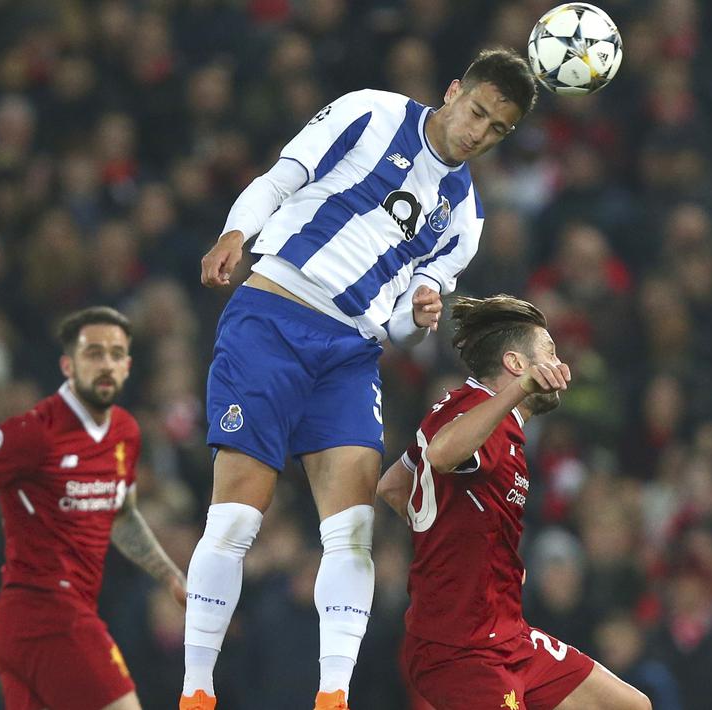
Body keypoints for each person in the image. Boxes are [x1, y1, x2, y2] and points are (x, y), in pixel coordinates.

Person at [183, 48, 538, 710]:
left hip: (350, 352)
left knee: (351, 532)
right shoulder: (370, 111)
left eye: (495, 129)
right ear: (454, 90)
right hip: (274, 314)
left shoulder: (463, 218)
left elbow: (403, 323)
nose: (476, 132)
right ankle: (196, 690)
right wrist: (236, 232)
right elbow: (280, 178)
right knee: (236, 517)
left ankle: (333, 697)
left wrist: (419, 314)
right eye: (476, 112)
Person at [376, 295, 652, 710]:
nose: (563, 367)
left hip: (507, 634)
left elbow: (395, 487)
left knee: (630, 706)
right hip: (462, 650)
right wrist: (520, 391)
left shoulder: (469, 412)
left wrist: (472, 556)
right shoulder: (483, 416)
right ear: (517, 365)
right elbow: (441, 455)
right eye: (551, 352)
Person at [0, 306, 187, 710]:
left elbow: (121, 515)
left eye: (116, 354)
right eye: (93, 353)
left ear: (129, 365)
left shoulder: (125, 433)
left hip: (53, 616)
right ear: (68, 364)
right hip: (44, 612)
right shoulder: (33, 432)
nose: (106, 364)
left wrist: (168, 574)